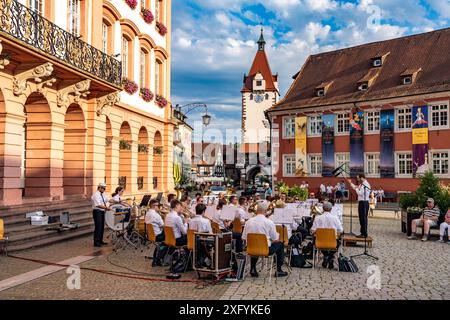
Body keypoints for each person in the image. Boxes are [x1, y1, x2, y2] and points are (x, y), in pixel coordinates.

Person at [242, 200, 288, 278]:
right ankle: (278, 270)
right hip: (265, 250)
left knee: (255, 245)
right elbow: (275, 238)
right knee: (280, 244)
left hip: (250, 249)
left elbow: (243, 238)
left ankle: (253, 269)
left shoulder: (248, 222)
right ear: (266, 211)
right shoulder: (269, 222)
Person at [310, 201, 343, 269]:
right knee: (338, 241)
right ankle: (330, 256)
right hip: (333, 242)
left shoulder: (317, 218)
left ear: (323, 208)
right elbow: (341, 230)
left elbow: (312, 231)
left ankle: (325, 255)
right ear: (331, 209)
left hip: (319, 242)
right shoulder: (335, 218)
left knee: (316, 240)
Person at [91, 182, 110, 247]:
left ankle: (100, 240)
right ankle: (96, 242)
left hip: (102, 211)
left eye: (104, 188)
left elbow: (108, 200)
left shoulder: (103, 193)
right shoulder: (96, 194)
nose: (104, 190)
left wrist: (116, 201)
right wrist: (107, 208)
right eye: (103, 188)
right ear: (99, 188)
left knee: (102, 227)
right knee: (98, 226)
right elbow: (98, 205)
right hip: (97, 211)